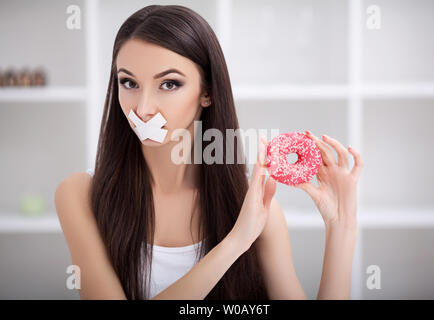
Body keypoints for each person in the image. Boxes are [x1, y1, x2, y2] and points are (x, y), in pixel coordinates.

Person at [54, 5, 363, 300]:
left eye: (169, 84)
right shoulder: (80, 194)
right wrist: (236, 241)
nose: (144, 109)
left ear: (207, 92)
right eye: (129, 82)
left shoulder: (255, 207)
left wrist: (342, 226)